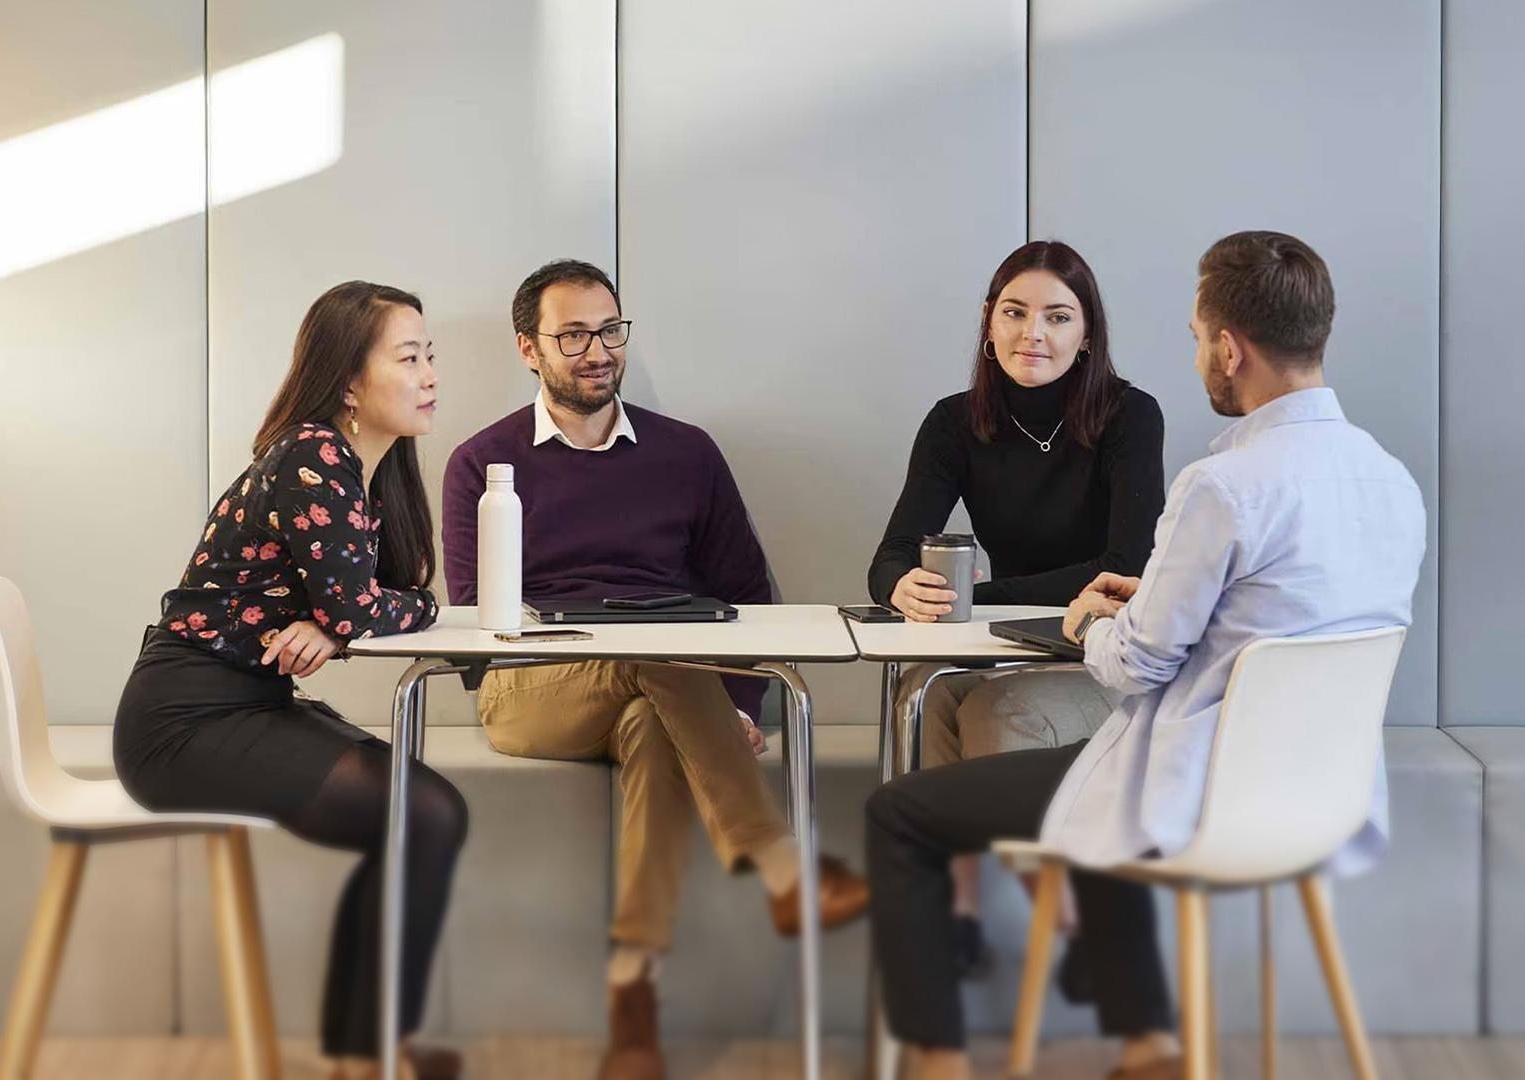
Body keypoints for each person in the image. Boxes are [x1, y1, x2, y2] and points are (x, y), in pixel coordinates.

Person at [865, 231, 1427, 1080]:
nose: (1198, 354)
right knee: (991, 722)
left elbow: (1135, 667)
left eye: (1200, 337)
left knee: (900, 811)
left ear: (1229, 348)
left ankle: (944, 1065)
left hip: (1193, 782)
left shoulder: (1226, 485)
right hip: (1322, 792)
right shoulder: (1392, 481)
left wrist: (1094, 624)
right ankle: (1148, 1045)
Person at [441, 259, 869, 1080]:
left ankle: (632, 999)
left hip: (664, 686)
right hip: (530, 690)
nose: (597, 350)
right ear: (529, 349)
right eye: (572, 335)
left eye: (610, 329)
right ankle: (781, 864)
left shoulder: (686, 454)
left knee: (652, 715)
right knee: (654, 649)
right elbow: (471, 615)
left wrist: (738, 704)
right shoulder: (483, 463)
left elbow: (747, 593)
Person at [113, 282, 465, 1080]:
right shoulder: (316, 454)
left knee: (429, 813)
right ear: (349, 380)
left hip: (246, 703)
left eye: (430, 355)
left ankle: (362, 1052)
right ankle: (368, 1057)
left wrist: (347, 619)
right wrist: (358, 616)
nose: (431, 374)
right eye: (409, 357)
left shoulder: (367, 473)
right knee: (429, 815)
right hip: (184, 724)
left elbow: (365, 603)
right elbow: (366, 605)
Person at [867, 239, 1164, 975]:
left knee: (990, 713)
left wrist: (976, 599)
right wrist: (902, 584)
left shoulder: (1132, 416)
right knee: (922, 696)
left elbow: (1125, 570)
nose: (1035, 333)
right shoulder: (953, 422)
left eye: (1058, 317)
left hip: (1110, 659)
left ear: (1086, 332)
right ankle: (955, 919)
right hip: (1017, 647)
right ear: (988, 323)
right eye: (1016, 312)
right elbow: (891, 555)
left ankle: (1077, 921)